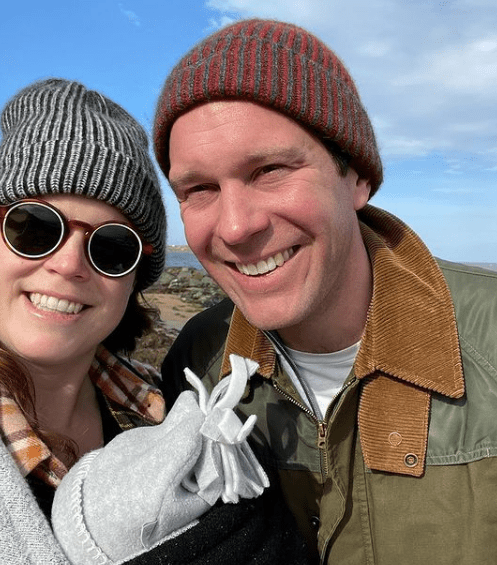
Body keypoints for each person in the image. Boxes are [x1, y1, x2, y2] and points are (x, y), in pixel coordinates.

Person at [154, 18, 497, 564]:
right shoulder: (197, 358)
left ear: (357, 177)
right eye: (199, 189)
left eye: (269, 170)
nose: (236, 227)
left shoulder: (488, 341)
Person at [0, 77, 167, 563]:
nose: (69, 265)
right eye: (33, 228)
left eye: (112, 246)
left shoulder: (167, 410)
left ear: (134, 279)